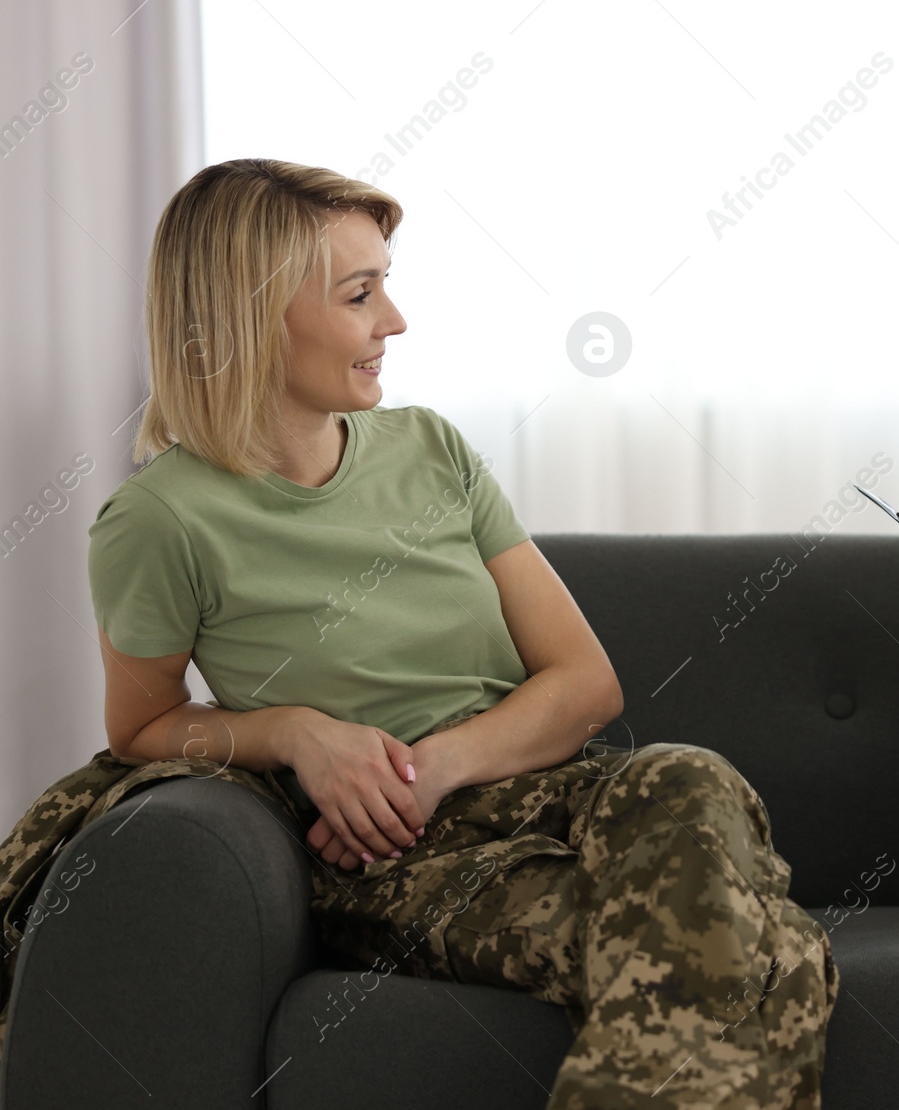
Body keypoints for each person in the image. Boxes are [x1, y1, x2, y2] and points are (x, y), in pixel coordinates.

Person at [84, 158, 836, 1109]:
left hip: (538, 787)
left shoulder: (431, 448)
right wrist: (294, 730)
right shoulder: (160, 520)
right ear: (252, 313)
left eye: (385, 288)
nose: (393, 321)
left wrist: (431, 765)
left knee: (686, 772)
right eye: (361, 294)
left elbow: (584, 684)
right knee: (733, 938)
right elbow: (141, 728)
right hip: (398, 860)